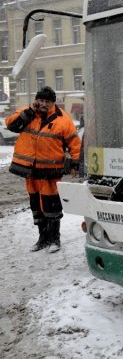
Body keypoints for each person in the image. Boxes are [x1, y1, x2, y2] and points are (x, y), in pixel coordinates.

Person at [5, 86, 81, 253]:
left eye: (47, 101)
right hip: (30, 170)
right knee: (36, 206)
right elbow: (11, 125)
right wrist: (29, 111)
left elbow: (74, 144)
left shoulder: (62, 120)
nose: (43, 104)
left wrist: (76, 164)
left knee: (51, 206)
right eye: (41, 100)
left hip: (50, 171)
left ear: (53, 103)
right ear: (36, 100)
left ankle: (54, 239)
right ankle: (42, 238)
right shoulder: (28, 113)